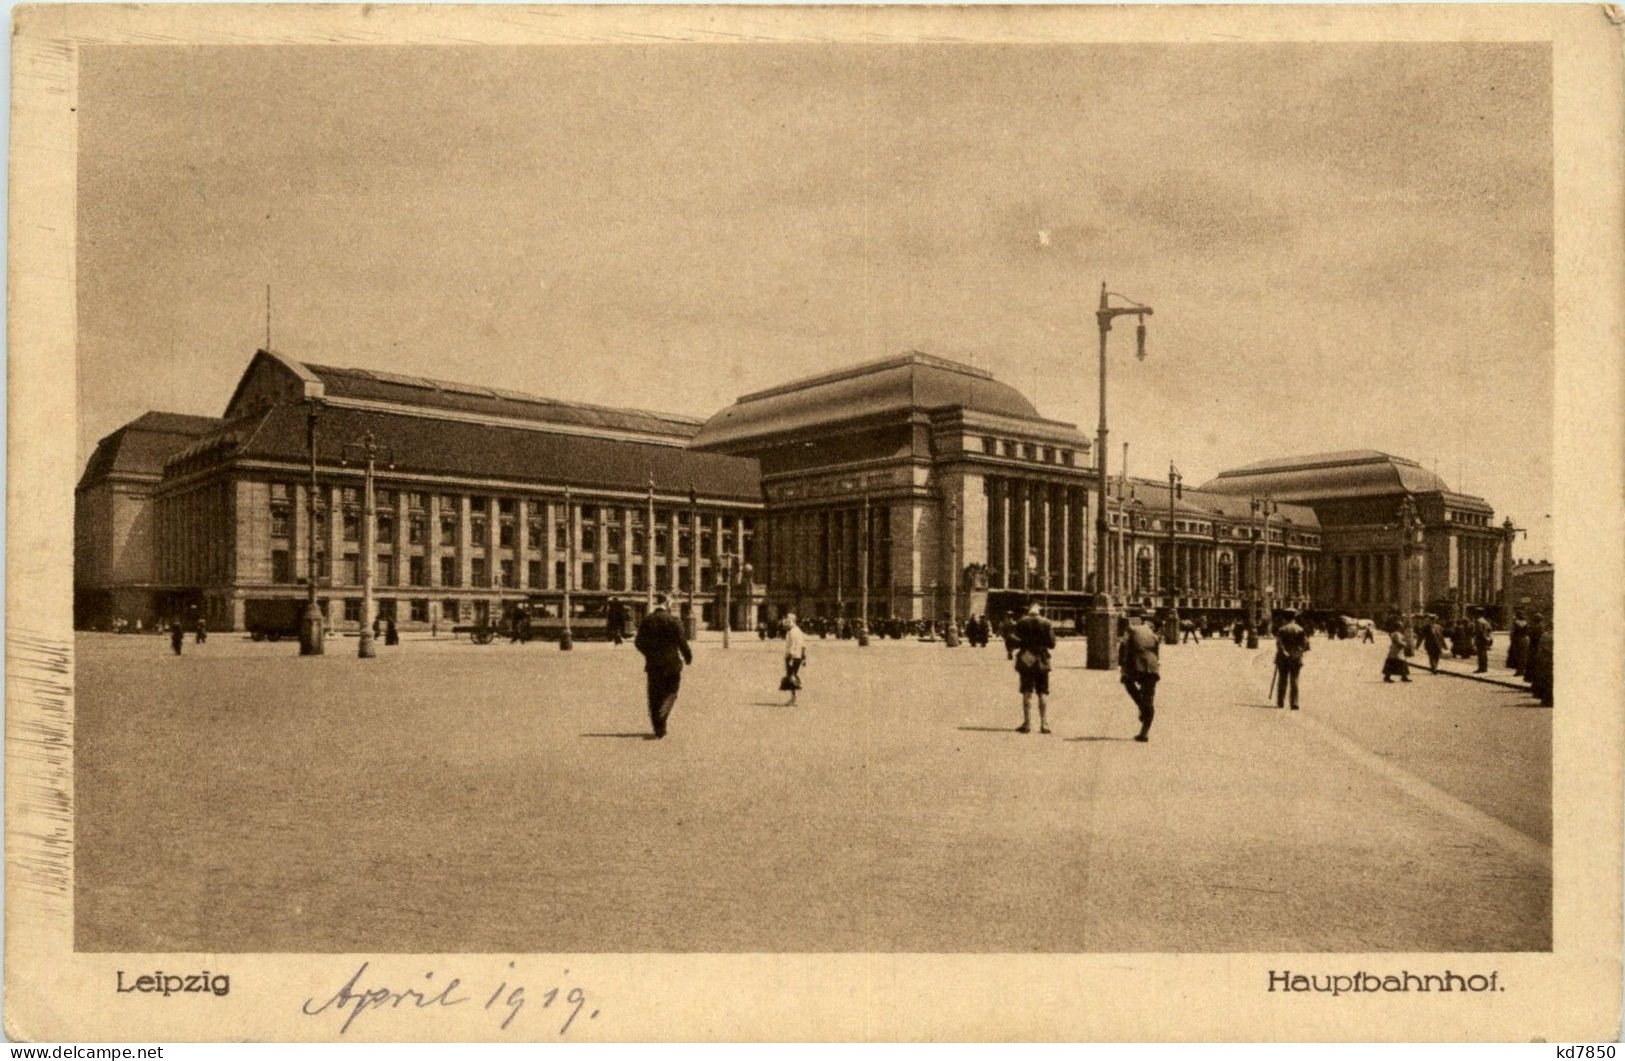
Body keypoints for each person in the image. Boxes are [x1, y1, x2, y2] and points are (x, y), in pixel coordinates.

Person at [634, 594, 692, 739]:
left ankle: (659, 728)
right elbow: (682, 642)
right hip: (672, 664)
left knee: (654, 696)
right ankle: (662, 717)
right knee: (671, 692)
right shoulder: (673, 620)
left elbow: (638, 642)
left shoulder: (647, 620)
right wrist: (688, 657)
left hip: (653, 664)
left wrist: (649, 653)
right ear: (667, 603)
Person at [1011, 602, 1056, 734]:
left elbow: (1015, 640)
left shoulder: (1021, 622)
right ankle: (1044, 723)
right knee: (1042, 692)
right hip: (1041, 660)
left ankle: (1027, 723)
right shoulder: (1047, 623)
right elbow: (1052, 644)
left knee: (1026, 691)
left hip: (1026, 659)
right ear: (1039, 611)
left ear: (1029, 611)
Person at [1118, 611, 1161, 741]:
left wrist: (1122, 666)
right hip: (1152, 667)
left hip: (1135, 666)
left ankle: (1140, 705)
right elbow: (1157, 654)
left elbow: (1123, 646)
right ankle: (1144, 733)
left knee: (1127, 681)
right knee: (1149, 699)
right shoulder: (1154, 636)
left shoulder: (1131, 629)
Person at [1273, 608, 1309, 709]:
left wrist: (1284, 652)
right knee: (1295, 680)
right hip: (1296, 658)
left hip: (1283, 659)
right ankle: (1294, 703)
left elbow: (1279, 644)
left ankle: (1280, 702)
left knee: (1282, 680)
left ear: (1285, 618)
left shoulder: (1282, 629)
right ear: (1294, 617)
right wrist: (1298, 652)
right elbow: (1305, 645)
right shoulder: (1300, 629)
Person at [781, 613, 808, 706]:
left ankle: (794, 699)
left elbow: (792, 646)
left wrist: (790, 658)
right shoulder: (799, 631)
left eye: (788, 622)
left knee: (791, 677)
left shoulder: (792, 632)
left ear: (793, 621)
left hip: (792, 656)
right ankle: (794, 698)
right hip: (798, 656)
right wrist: (804, 658)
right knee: (793, 676)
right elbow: (803, 645)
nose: (787, 623)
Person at [1471, 607, 1494, 674]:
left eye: (1475, 613)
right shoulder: (1486, 621)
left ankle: (1481, 668)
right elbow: (1489, 630)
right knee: (1484, 654)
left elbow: (1479, 631)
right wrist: (1488, 638)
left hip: (1480, 640)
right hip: (1485, 639)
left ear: (1478, 614)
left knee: (1481, 655)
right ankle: (1484, 668)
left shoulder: (1479, 621)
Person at [1507, 611, 1530, 675]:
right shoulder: (1526, 622)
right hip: (1526, 639)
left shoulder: (1515, 623)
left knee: (1517, 656)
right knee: (1523, 656)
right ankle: (1522, 670)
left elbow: (1512, 633)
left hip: (1518, 640)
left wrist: (1512, 640)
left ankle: (1519, 671)